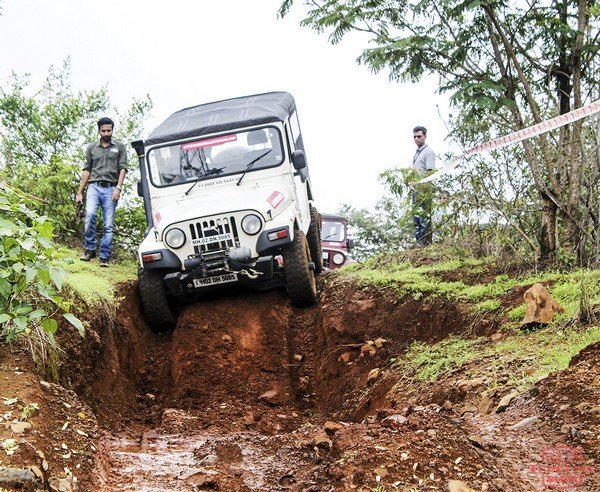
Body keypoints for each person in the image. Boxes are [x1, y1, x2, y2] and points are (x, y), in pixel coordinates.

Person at [75, 117, 127, 267]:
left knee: (108, 224)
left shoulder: (120, 147)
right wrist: (80, 191)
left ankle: (104, 257)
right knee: (90, 215)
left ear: (112, 130)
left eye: (108, 130)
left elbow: (122, 168)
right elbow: (87, 170)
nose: (106, 133)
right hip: (94, 187)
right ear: (99, 131)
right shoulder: (91, 148)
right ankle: (90, 249)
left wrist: (118, 187)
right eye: (103, 130)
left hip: (111, 188)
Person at [410, 125, 436, 245]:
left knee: (424, 218)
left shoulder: (428, 152)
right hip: (415, 189)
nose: (416, 139)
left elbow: (430, 173)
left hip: (424, 189)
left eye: (419, 136)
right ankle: (419, 244)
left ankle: (425, 245)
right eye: (414, 137)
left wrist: (419, 181)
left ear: (425, 136)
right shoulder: (417, 152)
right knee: (416, 218)